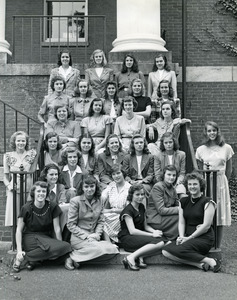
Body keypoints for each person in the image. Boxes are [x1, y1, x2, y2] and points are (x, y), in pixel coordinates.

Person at [162, 172, 221, 273]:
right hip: (187, 237)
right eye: (189, 184)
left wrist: (188, 238)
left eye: (195, 184)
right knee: (165, 251)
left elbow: (206, 226)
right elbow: (181, 222)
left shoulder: (208, 202)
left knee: (179, 250)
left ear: (200, 185)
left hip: (204, 238)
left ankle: (211, 261)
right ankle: (200, 264)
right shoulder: (183, 201)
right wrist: (181, 237)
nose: (192, 187)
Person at [13, 181, 71, 272]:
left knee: (66, 246)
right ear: (33, 193)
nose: (41, 194)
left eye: (43, 191)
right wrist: (19, 251)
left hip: (46, 237)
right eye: (38, 191)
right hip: (30, 238)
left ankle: (27, 257)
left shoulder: (52, 206)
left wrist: (59, 246)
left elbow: (57, 228)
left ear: (47, 193)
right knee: (51, 252)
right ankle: (26, 257)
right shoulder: (26, 208)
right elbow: (19, 230)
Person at [65, 175, 119, 270]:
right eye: (86, 186)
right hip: (79, 237)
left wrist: (97, 234)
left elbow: (101, 221)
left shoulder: (100, 200)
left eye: (92, 186)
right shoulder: (75, 201)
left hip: (94, 237)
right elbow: (71, 225)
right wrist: (86, 235)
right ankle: (71, 258)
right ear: (82, 188)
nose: (89, 189)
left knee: (114, 249)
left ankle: (79, 258)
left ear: (96, 187)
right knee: (101, 249)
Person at [195, 121, 234, 248]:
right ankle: (208, 244)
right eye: (209, 131)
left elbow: (229, 169)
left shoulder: (226, 148)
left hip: (221, 183)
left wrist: (223, 182)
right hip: (207, 183)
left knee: (220, 214)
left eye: (214, 130)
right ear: (205, 132)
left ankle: (218, 245)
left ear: (218, 132)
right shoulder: (201, 149)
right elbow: (199, 170)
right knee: (208, 213)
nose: (212, 133)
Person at [118, 183, 165, 271]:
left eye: (142, 194)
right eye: (137, 194)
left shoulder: (141, 207)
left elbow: (146, 226)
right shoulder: (128, 210)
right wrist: (152, 235)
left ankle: (140, 256)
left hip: (139, 236)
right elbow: (132, 231)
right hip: (128, 238)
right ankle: (130, 258)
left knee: (166, 242)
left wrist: (155, 231)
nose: (140, 197)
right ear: (131, 195)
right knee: (160, 243)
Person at [3, 131, 37, 226]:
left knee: (27, 218)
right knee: (14, 218)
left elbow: (34, 172)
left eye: (23, 141)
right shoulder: (8, 156)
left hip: (28, 189)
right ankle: (14, 240)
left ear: (26, 142)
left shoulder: (32, 154)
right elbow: (5, 177)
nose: (21, 143)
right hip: (14, 190)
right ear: (14, 142)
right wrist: (9, 186)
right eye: (18, 141)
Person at [146, 165, 179, 240]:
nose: (171, 177)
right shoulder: (158, 187)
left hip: (166, 216)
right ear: (163, 175)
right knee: (179, 217)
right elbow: (161, 210)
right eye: (169, 174)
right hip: (156, 218)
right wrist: (179, 209)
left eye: (174, 175)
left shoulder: (172, 188)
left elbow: (177, 203)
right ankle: (171, 238)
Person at [101, 164, 131, 243]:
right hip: (111, 215)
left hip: (123, 215)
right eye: (113, 174)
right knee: (99, 216)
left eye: (118, 173)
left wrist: (111, 211)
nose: (116, 176)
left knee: (103, 218)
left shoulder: (129, 188)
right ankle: (109, 242)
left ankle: (109, 242)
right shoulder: (111, 186)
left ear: (123, 173)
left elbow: (128, 210)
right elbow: (103, 197)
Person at [122, 134, 154, 207]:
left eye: (141, 142)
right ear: (133, 145)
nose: (139, 145)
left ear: (144, 143)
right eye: (136, 143)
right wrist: (130, 181)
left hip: (145, 183)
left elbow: (151, 174)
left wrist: (142, 181)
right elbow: (125, 174)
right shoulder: (127, 157)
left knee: (141, 189)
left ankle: (143, 212)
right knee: (128, 189)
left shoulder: (150, 157)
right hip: (132, 182)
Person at [38, 164, 69, 233]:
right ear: (45, 176)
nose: (54, 177)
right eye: (51, 174)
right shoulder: (41, 188)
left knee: (65, 210)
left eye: (56, 174)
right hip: (44, 216)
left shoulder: (61, 187)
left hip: (57, 215)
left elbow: (62, 202)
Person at [154, 132, 186, 197]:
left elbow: (182, 173)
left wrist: (178, 181)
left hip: (177, 182)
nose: (168, 144)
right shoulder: (158, 156)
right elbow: (157, 174)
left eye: (170, 142)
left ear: (174, 142)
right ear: (163, 144)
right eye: (166, 143)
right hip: (163, 183)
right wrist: (165, 183)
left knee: (182, 192)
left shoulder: (181, 155)